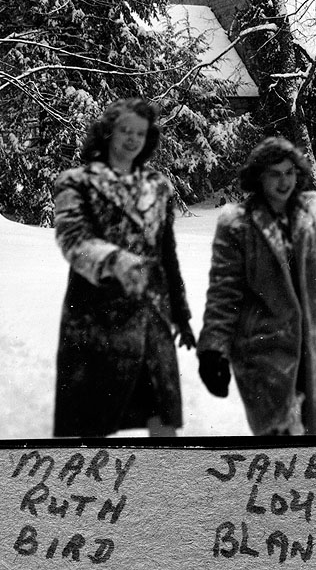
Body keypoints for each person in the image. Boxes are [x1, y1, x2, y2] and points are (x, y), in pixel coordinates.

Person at [196, 136, 316, 436]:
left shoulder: (314, 213)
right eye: (275, 174)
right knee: (279, 443)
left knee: (309, 439)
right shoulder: (237, 226)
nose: (284, 181)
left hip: (314, 347)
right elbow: (224, 296)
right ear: (259, 177)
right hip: (265, 354)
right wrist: (213, 350)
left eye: (289, 172)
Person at [52, 98, 195, 438]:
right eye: (125, 131)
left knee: (162, 420)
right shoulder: (77, 182)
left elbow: (167, 254)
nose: (133, 139)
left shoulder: (157, 187)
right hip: (97, 320)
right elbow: (73, 239)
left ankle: (169, 472)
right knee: (94, 423)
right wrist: (116, 262)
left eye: (140, 133)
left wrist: (181, 314)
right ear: (107, 132)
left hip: (150, 318)